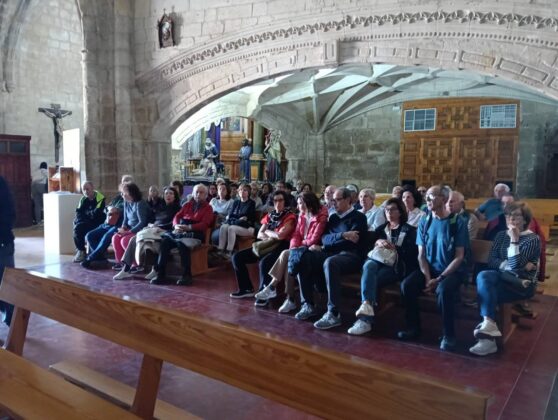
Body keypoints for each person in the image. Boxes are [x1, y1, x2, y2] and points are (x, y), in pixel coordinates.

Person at [398, 185, 470, 351]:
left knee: (443, 290)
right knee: (407, 285)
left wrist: (440, 279)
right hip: (429, 270)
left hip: (451, 271)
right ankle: (413, 327)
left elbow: (459, 257)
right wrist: (427, 278)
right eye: (427, 197)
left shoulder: (457, 222)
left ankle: (448, 335)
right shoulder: (425, 221)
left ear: (443, 199)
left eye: (431, 196)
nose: (427, 199)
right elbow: (421, 255)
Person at [469, 202, 540, 356]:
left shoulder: (533, 239)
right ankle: (489, 325)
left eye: (516, 216)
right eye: (508, 215)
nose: (511, 219)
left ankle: (488, 341)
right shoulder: (501, 235)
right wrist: (511, 266)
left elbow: (514, 266)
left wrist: (514, 241)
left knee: (485, 293)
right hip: (503, 279)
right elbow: (492, 261)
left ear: (525, 219)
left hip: (522, 286)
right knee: (483, 276)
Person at [294, 187, 368, 329]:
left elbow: (351, 242)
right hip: (331, 253)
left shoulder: (359, 217)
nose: (334, 203)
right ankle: (308, 304)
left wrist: (335, 240)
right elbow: (324, 239)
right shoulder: (333, 218)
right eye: (333, 200)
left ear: (348, 200)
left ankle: (334, 313)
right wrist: (343, 235)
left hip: (351, 255)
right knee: (302, 257)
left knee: (330, 263)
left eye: (337, 200)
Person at [348, 198, 418, 335]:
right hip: (377, 264)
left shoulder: (409, 230)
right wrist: (378, 242)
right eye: (387, 210)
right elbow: (368, 250)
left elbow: (412, 254)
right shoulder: (381, 229)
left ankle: (365, 319)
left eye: (393, 209)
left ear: (400, 212)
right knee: (369, 265)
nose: (389, 213)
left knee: (371, 279)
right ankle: (366, 308)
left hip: (396, 267)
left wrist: (395, 248)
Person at [255, 192, 328, 313]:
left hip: (313, 250)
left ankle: (279, 291)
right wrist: (294, 247)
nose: (298, 207)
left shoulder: (321, 216)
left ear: (309, 203)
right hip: (301, 248)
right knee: (289, 256)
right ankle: (286, 297)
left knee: (286, 254)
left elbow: (314, 239)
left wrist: (298, 246)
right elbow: (296, 234)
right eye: (298, 203)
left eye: (300, 204)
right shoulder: (302, 216)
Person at [229, 190, 296, 302]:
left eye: (280, 200)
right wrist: (272, 234)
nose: (278, 203)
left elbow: (281, 236)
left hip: (281, 247)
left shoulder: (290, 216)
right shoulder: (270, 215)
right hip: (266, 244)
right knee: (237, 257)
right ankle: (246, 289)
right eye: (275, 200)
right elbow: (259, 234)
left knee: (264, 262)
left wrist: (268, 231)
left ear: (285, 202)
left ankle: (264, 293)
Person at [147, 184, 214, 286]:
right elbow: (177, 216)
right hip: (181, 231)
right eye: (196, 192)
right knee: (165, 242)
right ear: (193, 194)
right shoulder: (187, 205)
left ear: (206, 195)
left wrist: (189, 227)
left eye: (201, 192)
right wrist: (176, 225)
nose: (198, 194)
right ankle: (161, 274)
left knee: (181, 244)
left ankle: (187, 275)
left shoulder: (208, 208)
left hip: (195, 233)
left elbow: (205, 224)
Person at [113, 186, 181, 280]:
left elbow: (174, 223)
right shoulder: (160, 207)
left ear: (175, 196)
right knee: (134, 239)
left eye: (171, 193)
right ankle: (126, 269)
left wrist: (160, 227)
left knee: (150, 244)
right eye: (166, 193)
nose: (168, 195)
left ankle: (155, 269)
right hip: (153, 229)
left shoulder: (178, 208)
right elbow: (152, 219)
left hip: (165, 231)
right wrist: (151, 225)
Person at [501, 192, 546, 283]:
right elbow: (494, 257)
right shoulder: (500, 218)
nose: (505, 206)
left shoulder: (527, 225)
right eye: (503, 203)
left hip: (521, 275)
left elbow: (521, 261)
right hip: (504, 269)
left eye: (508, 203)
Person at [111, 183, 151, 269]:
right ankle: (121, 263)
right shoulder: (126, 202)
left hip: (140, 230)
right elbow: (125, 219)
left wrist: (128, 232)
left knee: (125, 240)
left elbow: (142, 222)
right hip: (129, 229)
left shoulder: (140, 203)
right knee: (115, 237)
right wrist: (123, 228)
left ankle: (135, 264)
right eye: (122, 193)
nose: (122, 195)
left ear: (132, 193)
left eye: (125, 192)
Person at [217, 184, 256, 258]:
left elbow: (249, 218)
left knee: (231, 228)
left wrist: (235, 218)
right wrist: (238, 218)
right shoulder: (236, 202)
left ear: (248, 192)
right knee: (223, 227)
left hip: (248, 227)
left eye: (245, 190)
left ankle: (229, 252)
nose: (242, 191)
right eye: (240, 190)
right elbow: (230, 215)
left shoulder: (251, 203)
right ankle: (220, 249)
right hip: (236, 223)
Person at [72, 181, 106, 263]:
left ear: (92, 188)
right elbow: (78, 213)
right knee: (77, 226)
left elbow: (96, 214)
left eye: (87, 189)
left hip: (97, 223)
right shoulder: (83, 199)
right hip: (85, 222)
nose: (85, 191)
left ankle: (82, 251)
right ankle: (81, 250)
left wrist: (86, 214)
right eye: (83, 190)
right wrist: (86, 215)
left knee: (79, 227)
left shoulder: (100, 199)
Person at [0, 176, 16, 327]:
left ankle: (14, 328)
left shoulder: (1, 184)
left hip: (2, 243)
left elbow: (9, 213)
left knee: (8, 285)